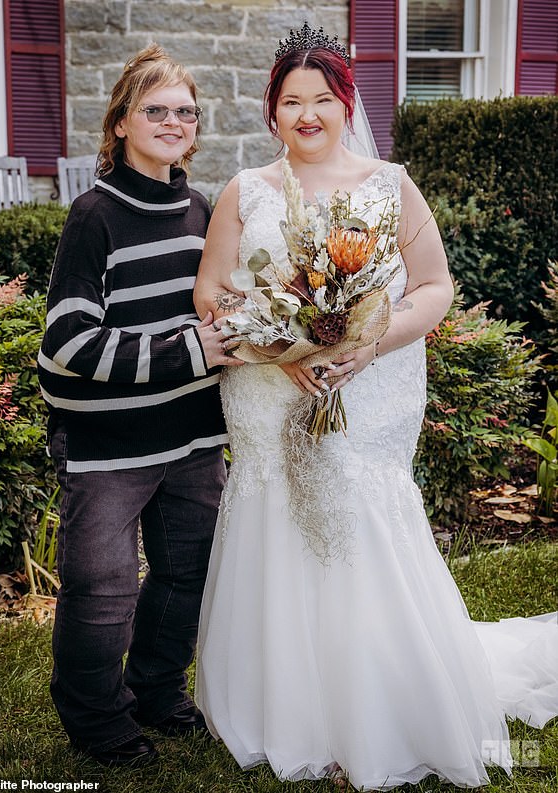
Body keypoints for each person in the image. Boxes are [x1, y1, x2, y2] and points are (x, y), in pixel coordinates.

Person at [193, 23, 558, 789]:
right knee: (275, 514)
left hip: (371, 387)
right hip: (269, 392)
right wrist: (278, 347)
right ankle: (284, 708)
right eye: (291, 101)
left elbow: (434, 288)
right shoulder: (244, 191)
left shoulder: (390, 185)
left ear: (346, 102)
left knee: (359, 514)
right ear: (272, 111)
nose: (307, 115)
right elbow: (214, 291)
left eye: (322, 98)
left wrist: (365, 343)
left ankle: (381, 699)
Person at [37, 44, 243, 767]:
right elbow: (66, 341)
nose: (173, 121)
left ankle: (158, 690)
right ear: (120, 122)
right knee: (102, 591)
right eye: (154, 109)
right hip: (108, 445)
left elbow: (221, 306)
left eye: (185, 111)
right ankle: (98, 720)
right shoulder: (95, 214)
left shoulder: (200, 209)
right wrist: (192, 351)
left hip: (191, 437)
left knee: (187, 572)